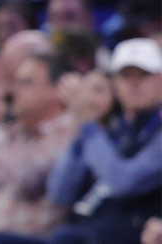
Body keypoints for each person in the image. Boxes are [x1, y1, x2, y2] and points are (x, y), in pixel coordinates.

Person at [0, 53, 78, 244]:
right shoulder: (9, 133)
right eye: (15, 82)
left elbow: (24, 178)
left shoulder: (69, 131)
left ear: (58, 89)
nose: (13, 91)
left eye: (25, 82)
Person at [46, 38, 162, 244]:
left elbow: (124, 182)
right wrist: (81, 132)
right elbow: (59, 192)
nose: (134, 83)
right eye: (126, 76)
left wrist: (88, 126)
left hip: (124, 236)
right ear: (115, 85)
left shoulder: (157, 133)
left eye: (144, 75)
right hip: (83, 230)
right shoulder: (109, 131)